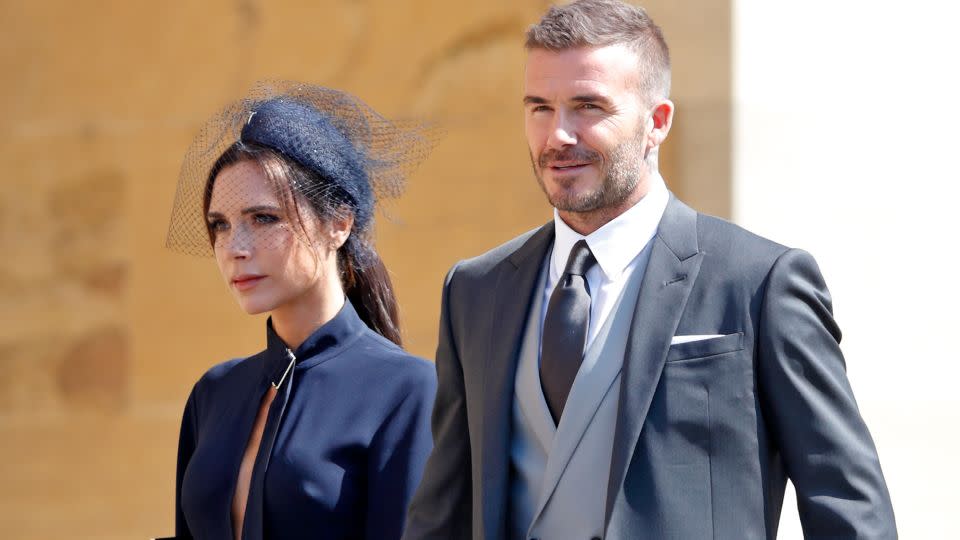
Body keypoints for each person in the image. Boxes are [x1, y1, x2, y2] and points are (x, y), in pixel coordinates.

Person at [403, 1, 896, 539]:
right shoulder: (476, 290)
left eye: (588, 106)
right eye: (540, 107)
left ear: (656, 122)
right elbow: (442, 514)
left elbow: (849, 507)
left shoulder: (761, 282)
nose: (558, 136)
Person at [165, 82, 436, 540]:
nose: (236, 248)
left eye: (264, 218)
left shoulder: (407, 390)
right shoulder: (212, 395)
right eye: (220, 225)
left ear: (339, 223)